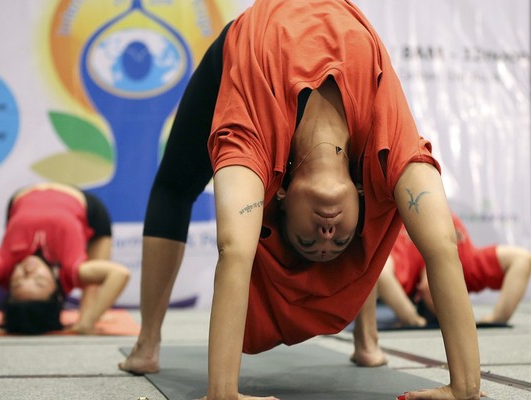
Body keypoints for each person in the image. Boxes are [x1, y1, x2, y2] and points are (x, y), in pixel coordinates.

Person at [119, 0, 484, 399]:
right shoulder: (387, 155)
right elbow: (442, 245)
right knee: (378, 222)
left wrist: (222, 392)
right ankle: (366, 339)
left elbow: (235, 250)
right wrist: (465, 388)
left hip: (252, 36)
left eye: (307, 240)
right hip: (334, 14)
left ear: (278, 194)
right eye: (339, 240)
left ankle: (146, 346)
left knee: (175, 185)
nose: (327, 234)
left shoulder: (252, 144)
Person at [0, 182, 131, 335]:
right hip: (88, 209)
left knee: (89, 293)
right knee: (91, 287)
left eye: (18, 282)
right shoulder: (70, 271)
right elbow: (120, 274)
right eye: (39, 281)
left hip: (23, 197)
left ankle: (88, 315)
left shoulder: (3, 267)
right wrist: (89, 321)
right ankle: (89, 316)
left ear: (9, 287)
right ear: (57, 292)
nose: (29, 271)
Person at [378, 213, 531, 327]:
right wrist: (499, 318)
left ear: (419, 292)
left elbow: (381, 271)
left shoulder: (406, 267)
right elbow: (522, 259)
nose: (445, 296)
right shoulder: (467, 267)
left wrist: (410, 317)